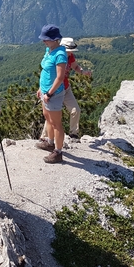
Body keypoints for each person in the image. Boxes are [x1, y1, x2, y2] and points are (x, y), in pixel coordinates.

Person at [37, 37, 92, 143]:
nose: (71, 53)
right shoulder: (57, 56)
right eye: (69, 50)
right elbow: (46, 74)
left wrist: (83, 72)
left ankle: (73, 134)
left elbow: (75, 67)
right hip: (53, 90)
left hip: (65, 88)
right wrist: (42, 89)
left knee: (75, 110)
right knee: (50, 115)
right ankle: (45, 137)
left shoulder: (70, 57)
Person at [35, 24, 67, 164]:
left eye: (46, 39)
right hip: (45, 91)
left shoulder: (60, 54)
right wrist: (41, 89)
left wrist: (49, 93)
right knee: (47, 118)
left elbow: (60, 77)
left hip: (53, 94)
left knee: (56, 124)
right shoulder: (49, 50)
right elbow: (46, 71)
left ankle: (58, 152)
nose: (44, 41)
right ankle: (50, 142)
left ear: (55, 39)